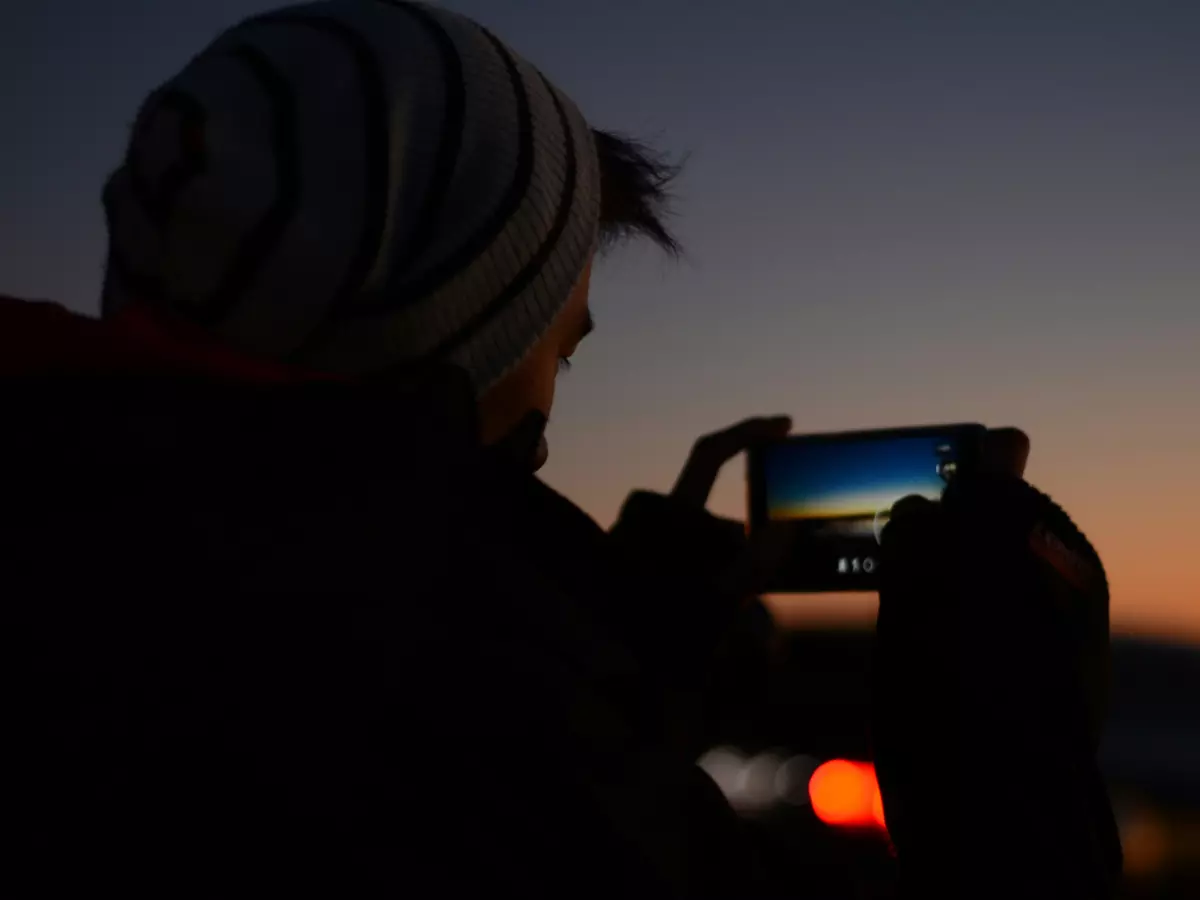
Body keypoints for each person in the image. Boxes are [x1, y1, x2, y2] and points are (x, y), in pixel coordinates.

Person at [5, 2, 1121, 896]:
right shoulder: (457, 737)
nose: (546, 438)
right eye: (561, 350)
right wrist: (1008, 742)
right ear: (447, 339)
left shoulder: (88, 553)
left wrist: (616, 631)